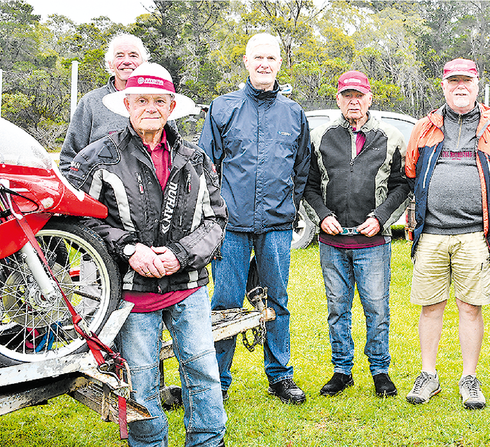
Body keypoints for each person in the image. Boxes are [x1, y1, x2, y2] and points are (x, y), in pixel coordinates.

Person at [65, 62, 227, 447]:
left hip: (188, 287)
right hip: (131, 293)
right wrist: (128, 248)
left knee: (204, 372)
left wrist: (180, 254)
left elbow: (216, 220)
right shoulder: (96, 158)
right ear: (127, 104)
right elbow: (73, 222)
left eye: (159, 100)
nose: (150, 107)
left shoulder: (195, 157)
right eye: (141, 100)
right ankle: (149, 444)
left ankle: (208, 441)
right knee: (140, 381)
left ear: (172, 106)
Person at [199, 33, 311, 405]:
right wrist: (215, 214)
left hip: (276, 226)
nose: (264, 64)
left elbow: (301, 168)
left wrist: (287, 204)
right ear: (246, 62)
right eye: (257, 58)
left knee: (276, 299)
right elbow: (205, 165)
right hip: (230, 226)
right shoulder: (223, 107)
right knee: (225, 302)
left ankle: (280, 376)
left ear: (280, 63)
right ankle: (218, 380)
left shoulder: (293, 113)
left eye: (271, 58)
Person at [403, 58, 490, 410]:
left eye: (466, 81)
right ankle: (429, 375)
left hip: (474, 235)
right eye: (453, 81)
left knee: (470, 308)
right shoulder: (425, 127)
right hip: (432, 236)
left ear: (477, 84)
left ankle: (469, 377)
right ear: (443, 85)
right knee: (430, 307)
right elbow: (411, 171)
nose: (460, 87)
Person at [303, 70, 409, 398]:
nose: (354, 101)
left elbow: (402, 185)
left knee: (377, 307)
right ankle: (342, 370)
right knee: (338, 308)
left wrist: (380, 218)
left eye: (359, 95)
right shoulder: (320, 136)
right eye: (347, 95)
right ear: (338, 99)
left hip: (373, 242)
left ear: (369, 99)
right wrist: (321, 216)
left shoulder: (390, 137)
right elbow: (307, 185)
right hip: (333, 242)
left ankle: (379, 371)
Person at [60, 34, 149, 171]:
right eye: (119, 56)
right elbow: (69, 161)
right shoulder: (91, 102)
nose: (126, 61)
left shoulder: (158, 103)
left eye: (133, 55)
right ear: (110, 64)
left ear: (143, 63)